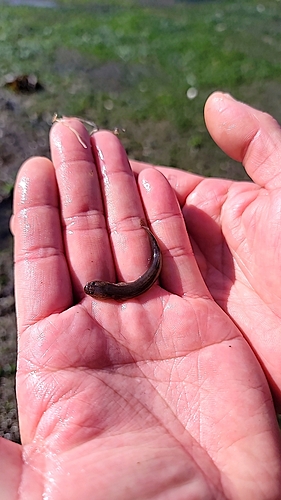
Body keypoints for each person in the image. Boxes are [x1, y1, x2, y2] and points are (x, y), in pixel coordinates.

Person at [2, 92, 280, 499]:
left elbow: (130, 286)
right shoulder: (113, 291)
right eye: (95, 290)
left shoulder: (116, 290)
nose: (93, 290)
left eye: (95, 289)